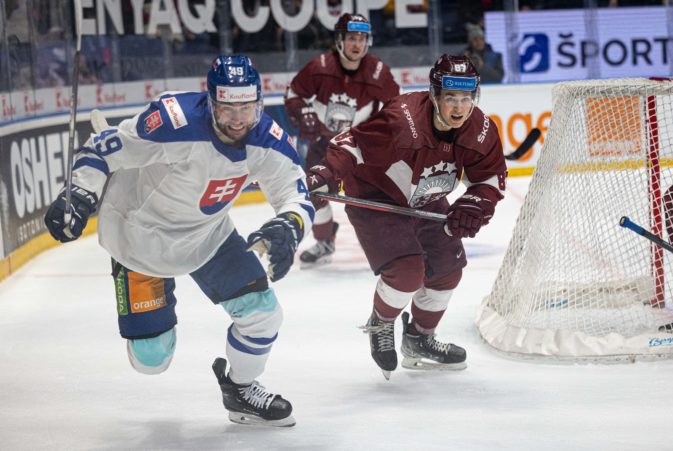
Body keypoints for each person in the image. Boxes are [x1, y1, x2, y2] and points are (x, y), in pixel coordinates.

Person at [43, 55, 314, 427]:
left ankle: (240, 388)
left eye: (247, 108)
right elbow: (103, 147)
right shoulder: (174, 122)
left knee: (264, 315)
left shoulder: (266, 138)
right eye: (227, 108)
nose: (238, 119)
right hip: (140, 240)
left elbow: (295, 194)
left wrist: (290, 224)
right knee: (151, 359)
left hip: (208, 236)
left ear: (259, 102)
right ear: (211, 102)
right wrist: (80, 191)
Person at [305, 54, 507, 379]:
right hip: (376, 195)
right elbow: (352, 143)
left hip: (427, 199)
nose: (459, 108)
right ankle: (381, 322)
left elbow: (488, 180)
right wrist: (326, 171)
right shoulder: (403, 120)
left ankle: (420, 340)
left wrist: (475, 204)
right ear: (434, 95)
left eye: (466, 98)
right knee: (407, 272)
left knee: (448, 270)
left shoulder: (480, 129)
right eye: (451, 98)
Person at [284, 12, 400, 267]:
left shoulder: (378, 72)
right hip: (325, 146)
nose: (357, 44)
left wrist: (383, 134)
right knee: (315, 193)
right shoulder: (320, 68)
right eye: (351, 38)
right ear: (339, 40)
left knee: (379, 197)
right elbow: (294, 93)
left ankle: (394, 245)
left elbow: (397, 108)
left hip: (361, 148)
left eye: (362, 38)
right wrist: (303, 112)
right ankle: (325, 241)